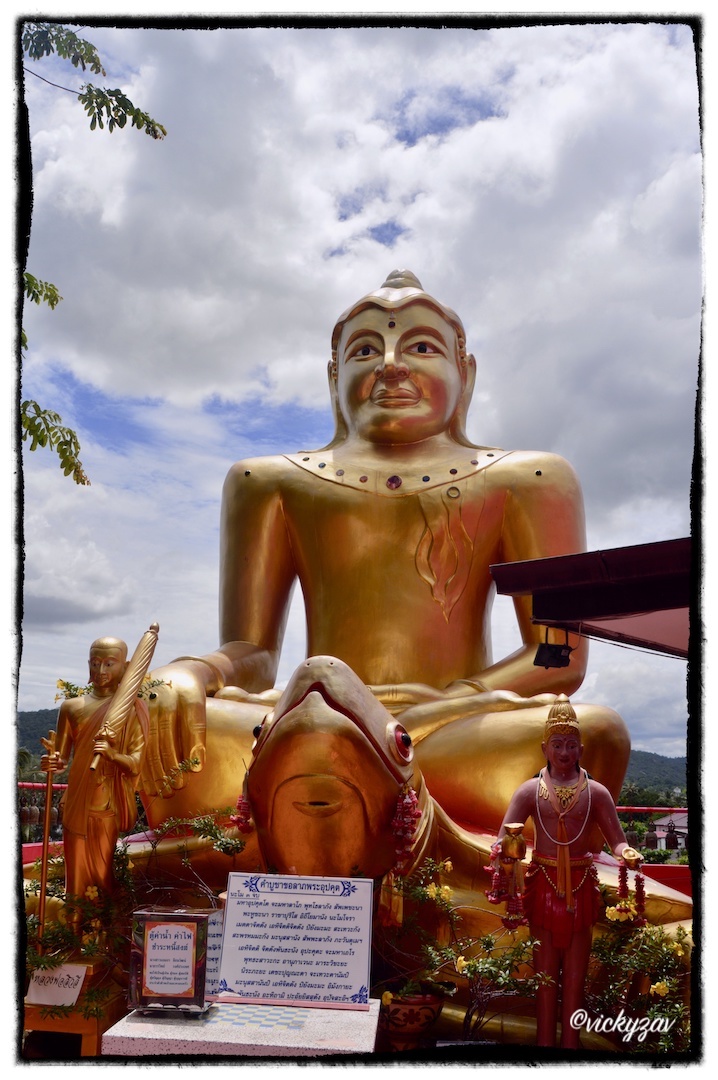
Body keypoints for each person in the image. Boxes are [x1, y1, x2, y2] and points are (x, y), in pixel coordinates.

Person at [140, 270, 628, 832]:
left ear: (465, 374)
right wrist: (190, 673)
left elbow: (558, 655)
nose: (391, 365)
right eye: (366, 350)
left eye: (421, 347)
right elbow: (253, 652)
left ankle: (294, 822)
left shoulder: (529, 478)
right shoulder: (267, 481)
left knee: (596, 732)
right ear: (334, 378)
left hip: (450, 726)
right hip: (314, 716)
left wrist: (444, 705)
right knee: (157, 718)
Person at [495, 696, 642, 1049]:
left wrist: (626, 852)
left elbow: (617, 840)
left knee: (575, 979)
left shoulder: (597, 793)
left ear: (581, 749)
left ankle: (571, 1048)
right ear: (544, 748)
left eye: (571, 745)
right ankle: (545, 1046)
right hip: (543, 885)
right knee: (545, 979)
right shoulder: (530, 790)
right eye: (557, 744)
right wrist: (506, 848)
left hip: (580, 888)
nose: (564, 752)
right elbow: (503, 838)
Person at [41, 637, 148, 903]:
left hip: (106, 802)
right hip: (77, 799)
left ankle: (102, 924)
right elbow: (62, 759)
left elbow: (137, 762)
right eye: (95, 663)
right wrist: (54, 762)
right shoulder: (72, 707)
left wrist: (113, 755)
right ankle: (74, 924)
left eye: (109, 664)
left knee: (101, 873)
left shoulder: (131, 711)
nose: (101, 671)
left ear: (125, 667)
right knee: (74, 876)